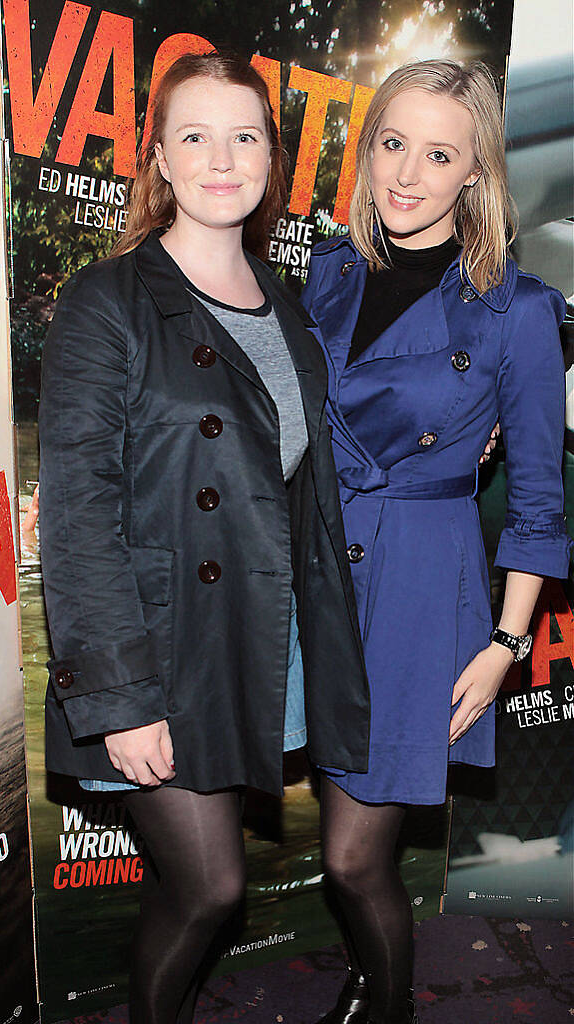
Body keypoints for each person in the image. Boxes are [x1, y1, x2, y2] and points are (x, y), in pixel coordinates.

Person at [38, 52, 371, 1024]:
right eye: (195, 135)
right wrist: (122, 697)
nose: (221, 158)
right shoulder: (110, 301)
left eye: (244, 135)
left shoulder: (290, 313)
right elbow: (78, 512)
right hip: (158, 646)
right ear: (160, 160)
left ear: (272, 157)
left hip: (254, 641)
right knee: (212, 889)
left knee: (193, 887)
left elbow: (302, 484)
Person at [302, 60, 570, 1024]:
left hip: (422, 582)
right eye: (391, 142)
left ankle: (388, 1004)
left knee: (351, 854)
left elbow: (538, 499)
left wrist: (504, 646)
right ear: (368, 146)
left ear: (476, 174)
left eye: (439, 153)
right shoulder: (326, 271)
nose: (408, 173)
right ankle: (371, 976)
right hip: (316, 567)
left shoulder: (519, 311)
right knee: (334, 824)